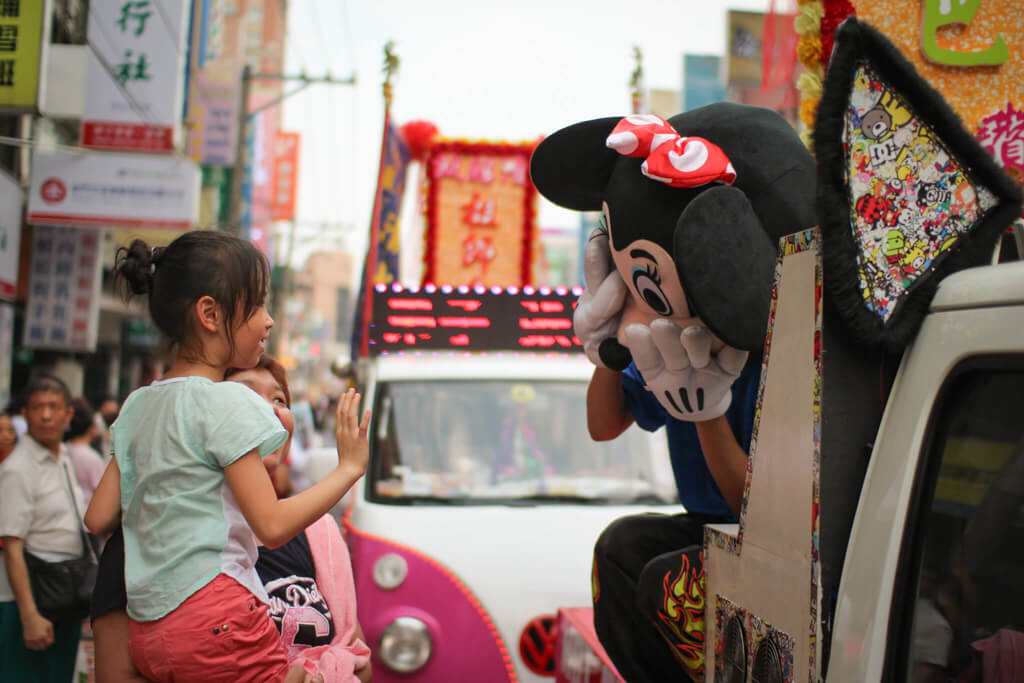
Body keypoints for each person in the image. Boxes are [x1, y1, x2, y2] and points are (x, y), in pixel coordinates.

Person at [83, 231, 371, 682]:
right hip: (220, 617)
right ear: (211, 314)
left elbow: (98, 517)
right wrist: (349, 468)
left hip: (149, 629)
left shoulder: (138, 404)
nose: (269, 321)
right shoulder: (226, 403)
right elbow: (271, 526)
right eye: (257, 306)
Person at [0, 375, 89, 682]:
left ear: (68, 414)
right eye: (38, 408)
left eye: (54, 407)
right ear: (25, 414)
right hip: (27, 599)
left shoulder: (64, 457)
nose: (46, 415)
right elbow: (12, 546)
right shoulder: (18, 468)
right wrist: (29, 616)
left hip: (63, 593)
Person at [66, 397, 107, 505]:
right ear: (91, 428)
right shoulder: (92, 457)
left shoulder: (64, 449)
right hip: (87, 509)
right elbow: (102, 491)